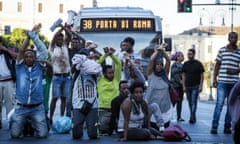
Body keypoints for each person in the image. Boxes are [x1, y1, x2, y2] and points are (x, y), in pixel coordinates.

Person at [10, 24, 50, 138]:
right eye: (26, 56)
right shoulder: (19, 67)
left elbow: (43, 50)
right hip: (21, 107)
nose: (28, 58)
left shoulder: (39, 66)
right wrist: (29, 36)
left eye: (31, 56)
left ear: (34, 58)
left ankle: (31, 124)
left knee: (43, 135)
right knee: (15, 135)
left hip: (37, 108)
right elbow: (22, 50)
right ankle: (24, 124)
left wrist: (33, 36)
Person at [210, 32, 240, 134]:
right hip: (222, 82)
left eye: (235, 37)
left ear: (237, 39)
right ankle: (214, 126)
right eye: (231, 37)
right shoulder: (222, 50)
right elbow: (217, 66)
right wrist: (214, 79)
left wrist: (235, 71)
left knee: (231, 105)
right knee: (219, 104)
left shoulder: (239, 52)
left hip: (234, 84)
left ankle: (227, 126)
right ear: (228, 38)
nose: (233, 39)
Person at [71, 48, 102, 139]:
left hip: (92, 103)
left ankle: (95, 129)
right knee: (76, 134)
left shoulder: (94, 69)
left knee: (93, 135)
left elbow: (102, 62)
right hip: (78, 103)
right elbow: (73, 69)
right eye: (82, 55)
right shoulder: (76, 71)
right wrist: (84, 58)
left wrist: (93, 54)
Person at [49, 24, 72, 124]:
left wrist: (65, 29)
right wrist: (60, 29)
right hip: (57, 76)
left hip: (66, 76)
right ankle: (50, 117)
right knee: (54, 98)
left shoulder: (65, 46)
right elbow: (54, 37)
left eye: (61, 39)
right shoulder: (52, 47)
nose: (60, 40)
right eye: (58, 38)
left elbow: (69, 36)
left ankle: (62, 118)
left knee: (64, 99)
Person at [146, 43, 172, 129]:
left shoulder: (165, 74)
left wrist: (163, 51)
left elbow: (168, 61)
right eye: (157, 64)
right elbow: (151, 60)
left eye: (161, 64)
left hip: (165, 108)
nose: (159, 66)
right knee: (153, 131)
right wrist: (158, 51)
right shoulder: (150, 75)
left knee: (165, 132)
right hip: (152, 109)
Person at [96, 47, 121, 135]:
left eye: (112, 72)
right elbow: (96, 65)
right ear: (104, 73)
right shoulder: (99, 80)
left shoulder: (116, 79)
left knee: (121, 129)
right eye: (109, 73)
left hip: (115, 110)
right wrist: (105, 55)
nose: (112, 74)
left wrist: (111, 55)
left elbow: (118, 63)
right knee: (102, 129)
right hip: (104, 110)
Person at [182, 48, 204, 124]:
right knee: (190, 102)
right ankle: (193, 114)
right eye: (188, 54)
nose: (189, 55)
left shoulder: (198, 64)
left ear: (194, 54)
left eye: (190, 54)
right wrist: (183, 86)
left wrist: (201, 85)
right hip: (187, 86)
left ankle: (192, 116)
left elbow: (202, 75)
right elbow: (183, 75)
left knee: (194, 101)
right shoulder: (185, 64)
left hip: (196, 85)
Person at [0, 37, 17, 129]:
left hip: (8, 81)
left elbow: (16, 56)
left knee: (9, 103)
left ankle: (10, 121)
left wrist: (5, 49)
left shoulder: (7, 52)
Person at [170, 51, 185, 121]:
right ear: (177, 57)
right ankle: (168, 115)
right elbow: (174, 74)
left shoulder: (182, 65)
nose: (183, 57)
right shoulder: (174, 65)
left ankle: (179, 116)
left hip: (181, 86)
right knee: (173, 101)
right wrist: (180, 81)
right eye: (181, 56)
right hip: (175, 86)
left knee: (180, 102)